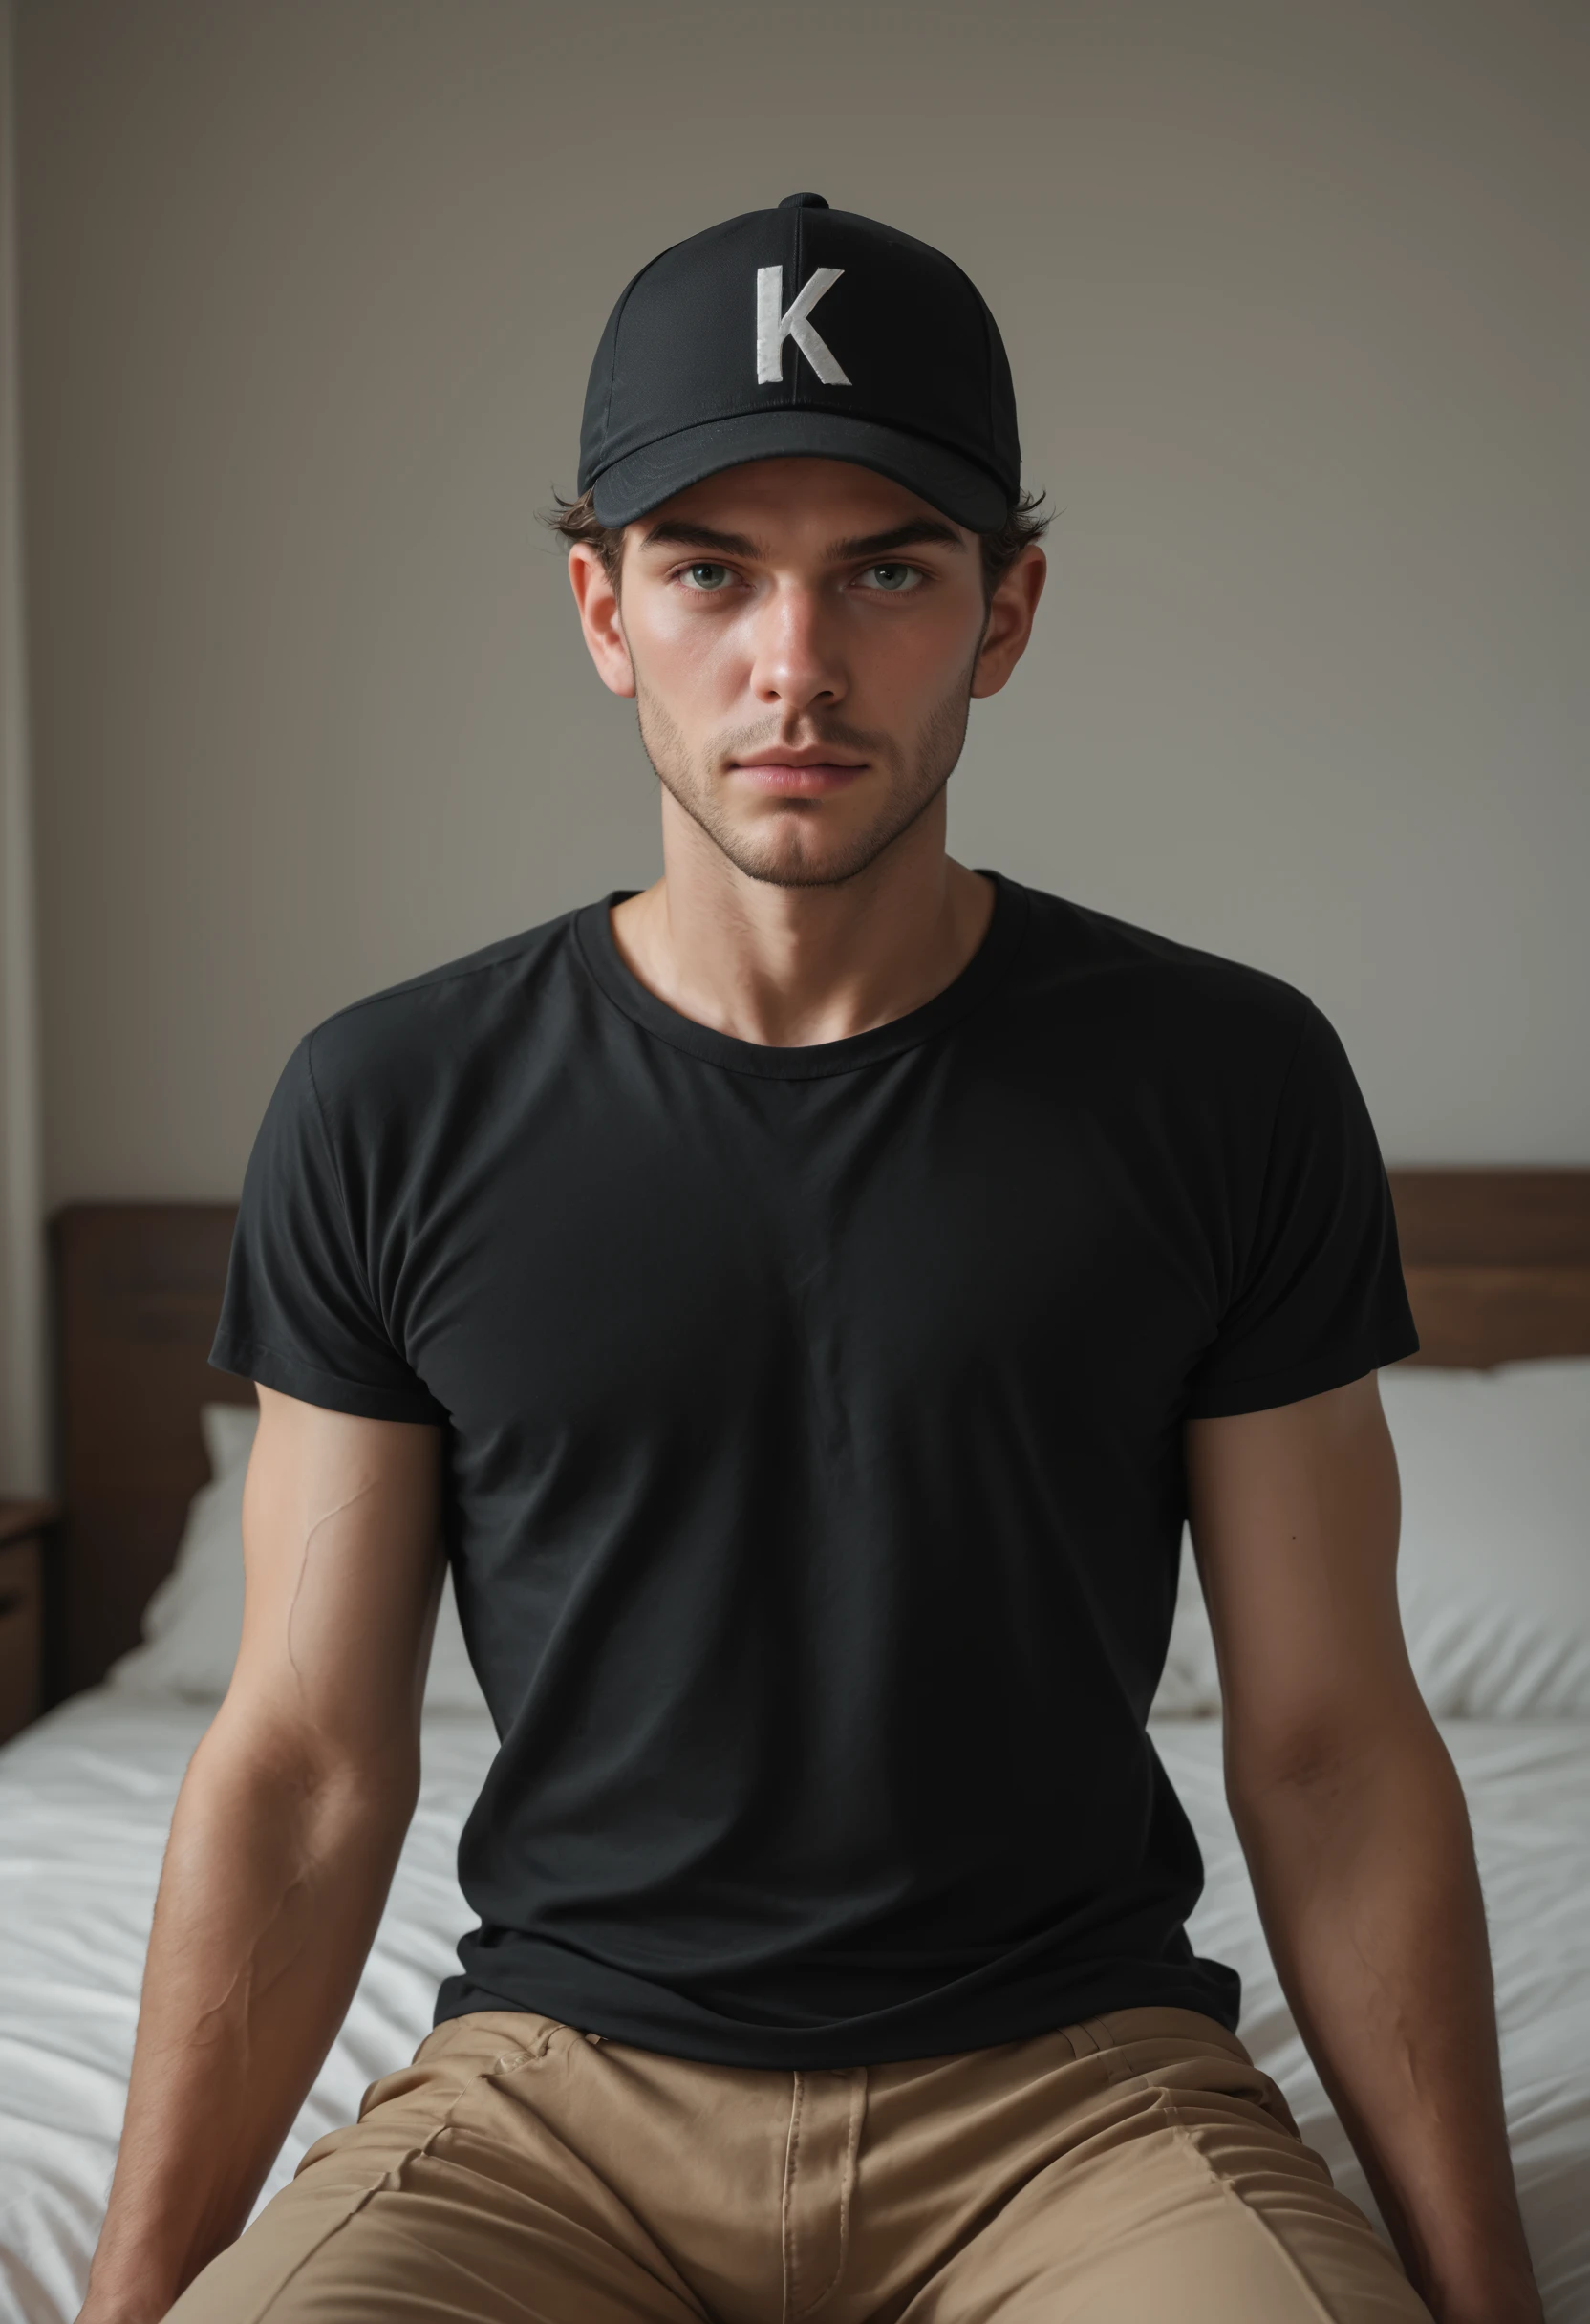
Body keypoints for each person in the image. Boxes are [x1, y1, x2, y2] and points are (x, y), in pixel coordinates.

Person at [77, 193, 1540, 2324]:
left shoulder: (1223, 1079)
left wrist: (1482, 2301)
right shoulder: (388, 1100)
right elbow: (302, 1764)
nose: (796, 661)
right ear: (601, 608)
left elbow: (1323, 1741)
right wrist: (130, 2302)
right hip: (554, 2096)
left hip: (1078, 2089)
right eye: (708, 572)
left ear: (1005, 611)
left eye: (884, 570)